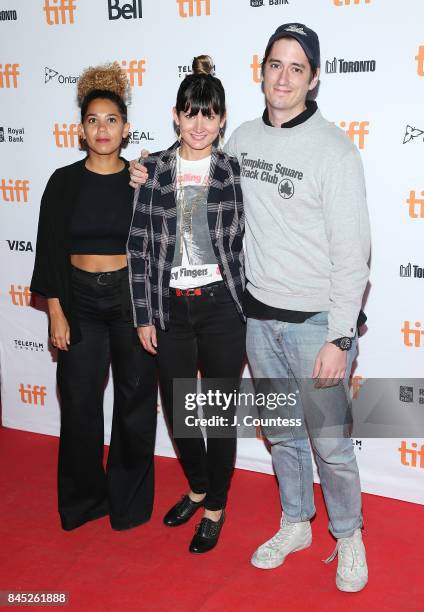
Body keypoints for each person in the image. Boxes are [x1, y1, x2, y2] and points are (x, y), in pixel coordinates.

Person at [130, 26, 371, 591]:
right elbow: (193, 157)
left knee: (331, 443)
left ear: (313, 79)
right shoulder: (238, 137)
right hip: (257, 318)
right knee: (284, 435)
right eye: (274, 65)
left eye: (296, 67)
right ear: (260, 72)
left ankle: (349, 534)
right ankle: (296, 522)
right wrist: (144, 168)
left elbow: (354, 253)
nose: (283, 77)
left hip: (317, 324)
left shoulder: (335, 150)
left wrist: (340, 338)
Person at [30, 63, 158, 532]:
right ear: (80, 129)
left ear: (125, 129)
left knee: (135, 401)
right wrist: (55, 313)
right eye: (93, 120)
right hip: (78, 301)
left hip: (130, 301)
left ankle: (128, 503)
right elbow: (49, 250)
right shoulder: (62, 182)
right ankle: (84, 501)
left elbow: (160, 245)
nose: (102, 129)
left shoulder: (141, 181)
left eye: (111, 120)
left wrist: (150, 191)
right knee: (81, 404)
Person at [127, 55, 246, 554]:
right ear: (175, 115)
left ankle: (214, 505)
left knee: (216, 416)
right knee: (179, 413)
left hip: (221, 309)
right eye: (190, 113)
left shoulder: (235, 173)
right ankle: (197, 486)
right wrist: (142, 315)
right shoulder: (151, 170)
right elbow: (137, 247)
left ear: (222, 120)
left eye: (209, 114)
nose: (199, 124)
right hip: (170, 309)